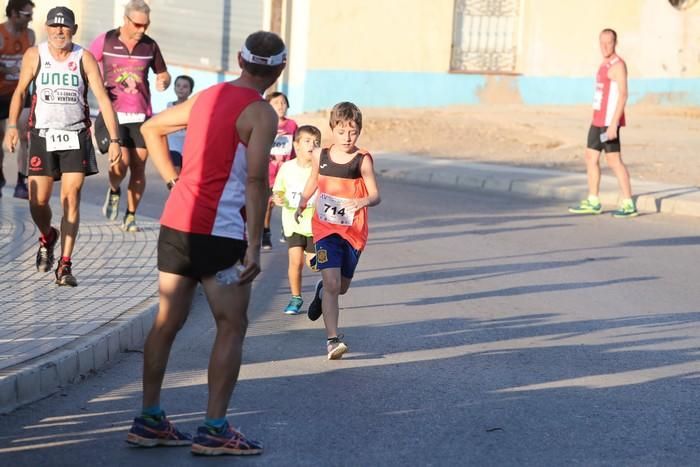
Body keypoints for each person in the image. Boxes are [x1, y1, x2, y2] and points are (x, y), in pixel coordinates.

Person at [128, 31, 286, 456]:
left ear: (239, 59)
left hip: (177, 222)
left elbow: (151, 127)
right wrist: (256, 244)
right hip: (221, 232)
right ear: (279, 70)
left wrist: (172, 180)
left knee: (166, 322)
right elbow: (255, 182)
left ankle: (149, 419)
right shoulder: (261, 113)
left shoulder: (207, 97)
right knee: (231, 325)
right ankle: (214, 429)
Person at [3, 6, 121, 286]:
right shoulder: (35, 54)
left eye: (64, 27)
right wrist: (11, 126)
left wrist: (115, 140)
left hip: (75, 136)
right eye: (54, 27)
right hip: (43, 135)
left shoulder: (85, 57)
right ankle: (48, 236)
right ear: (47, 28)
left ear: (73, 30)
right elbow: (20, 91)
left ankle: (65, 265)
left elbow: (103, 99)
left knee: (71, 198)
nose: (59, 32)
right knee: (38, 201)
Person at [294, 102, 381, 360]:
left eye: (352, 131)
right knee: (333, 282)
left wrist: (363, 201)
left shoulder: (362, 160)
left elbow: (375, 194)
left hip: (353, 233)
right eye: (342, 131)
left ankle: (321, 292)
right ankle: (333, 340)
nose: (347, 137)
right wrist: (302, 202)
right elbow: (313, 181)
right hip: (324, 230)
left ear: (359, 131)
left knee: (340, 287)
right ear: (332, 129)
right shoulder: (320, 155)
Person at [90, 0, 170, 232]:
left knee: (138, 167)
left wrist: (164, 80)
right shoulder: (105, 41)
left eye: (146, 25)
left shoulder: (150, 46)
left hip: (141, 115)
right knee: (120, 163)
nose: (142, 30)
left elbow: (163, 73)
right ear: (125, 20)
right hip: (113, 114)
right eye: (137, 25)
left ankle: (131, 214)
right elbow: (86, 63)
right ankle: (114, 190)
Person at [569, 28, 637, 218]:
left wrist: (615, 123)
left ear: (615, 43)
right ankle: (593, 200)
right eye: (602, 42)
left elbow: (623, 94)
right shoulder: (604, 63)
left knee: (614, 161)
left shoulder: (618, 65)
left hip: (609, 122)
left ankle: (628, 203)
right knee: (590, 158)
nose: (605, 46)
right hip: (598, 120)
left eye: (609, 42)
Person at [272, 125, 321, 315]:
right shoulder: (287, 168)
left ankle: (321, 288)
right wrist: (278, 197)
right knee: (295, 262)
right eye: (307, 141)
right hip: (292, 223)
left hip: (315, 225)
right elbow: (279, 190)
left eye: (316, 142)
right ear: (296, 145)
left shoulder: (320, 170)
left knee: (314, 264)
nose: (312, 145)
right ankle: (296, 298)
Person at [0, 0, 34, 199]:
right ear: (13, 13)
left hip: (20, 93)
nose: (30, 19)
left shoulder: (29, 35)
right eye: (26, 15)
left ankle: (22, 181)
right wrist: (7, 69)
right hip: (1, 94)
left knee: (24, 133)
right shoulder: (1, 34)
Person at [263, 91, 297, 249]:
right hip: (268, 171)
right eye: (276, 103)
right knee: (268, 204)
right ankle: (265, 232)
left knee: (288, 201)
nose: (280, 106)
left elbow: (296, 147)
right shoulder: (264, 124)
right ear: (268, 106)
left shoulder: (292, 125)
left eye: (283, 103)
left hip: (287, 172)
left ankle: (287, 228)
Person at [165, 75, 193, 173]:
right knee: (175, 176)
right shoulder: (169, 106)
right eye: (178, 85)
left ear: (190, 91)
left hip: (188, 151)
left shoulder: (193, 107)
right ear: (174, 88)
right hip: (173, 148)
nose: (181, 88)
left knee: (184, 177)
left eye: (185, 86)